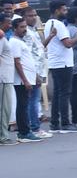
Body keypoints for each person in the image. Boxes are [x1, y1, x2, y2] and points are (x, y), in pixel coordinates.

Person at [18, 7, 51, 138]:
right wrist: (35, 74)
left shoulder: (33, 31)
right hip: (33, 71)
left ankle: (33, 127)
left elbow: (40, 48)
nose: (34, 17)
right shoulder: (25, 33)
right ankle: (34, 128)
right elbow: (28, 56)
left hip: (39, 70)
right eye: (30, 15)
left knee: (33, 100)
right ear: (23, 17)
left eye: (35, 15)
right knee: (32, 101)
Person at [7, 16, 38, 143]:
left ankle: (25, 131)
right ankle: (24, 133)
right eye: (21, 27)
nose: (25, 29)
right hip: (21, 80)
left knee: (24, 105)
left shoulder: (20, 41)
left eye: (25, 27)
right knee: (23, 106)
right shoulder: (14, 42)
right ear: (14, 29)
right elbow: (17, 62)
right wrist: (25, 80)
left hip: (27, 79)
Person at [0, 14, 17, 145]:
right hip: (3, 78)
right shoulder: (1, 37)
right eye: (8, 23)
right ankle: (3, 137)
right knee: (3, 110)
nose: (10, 26)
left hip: (5, 77)